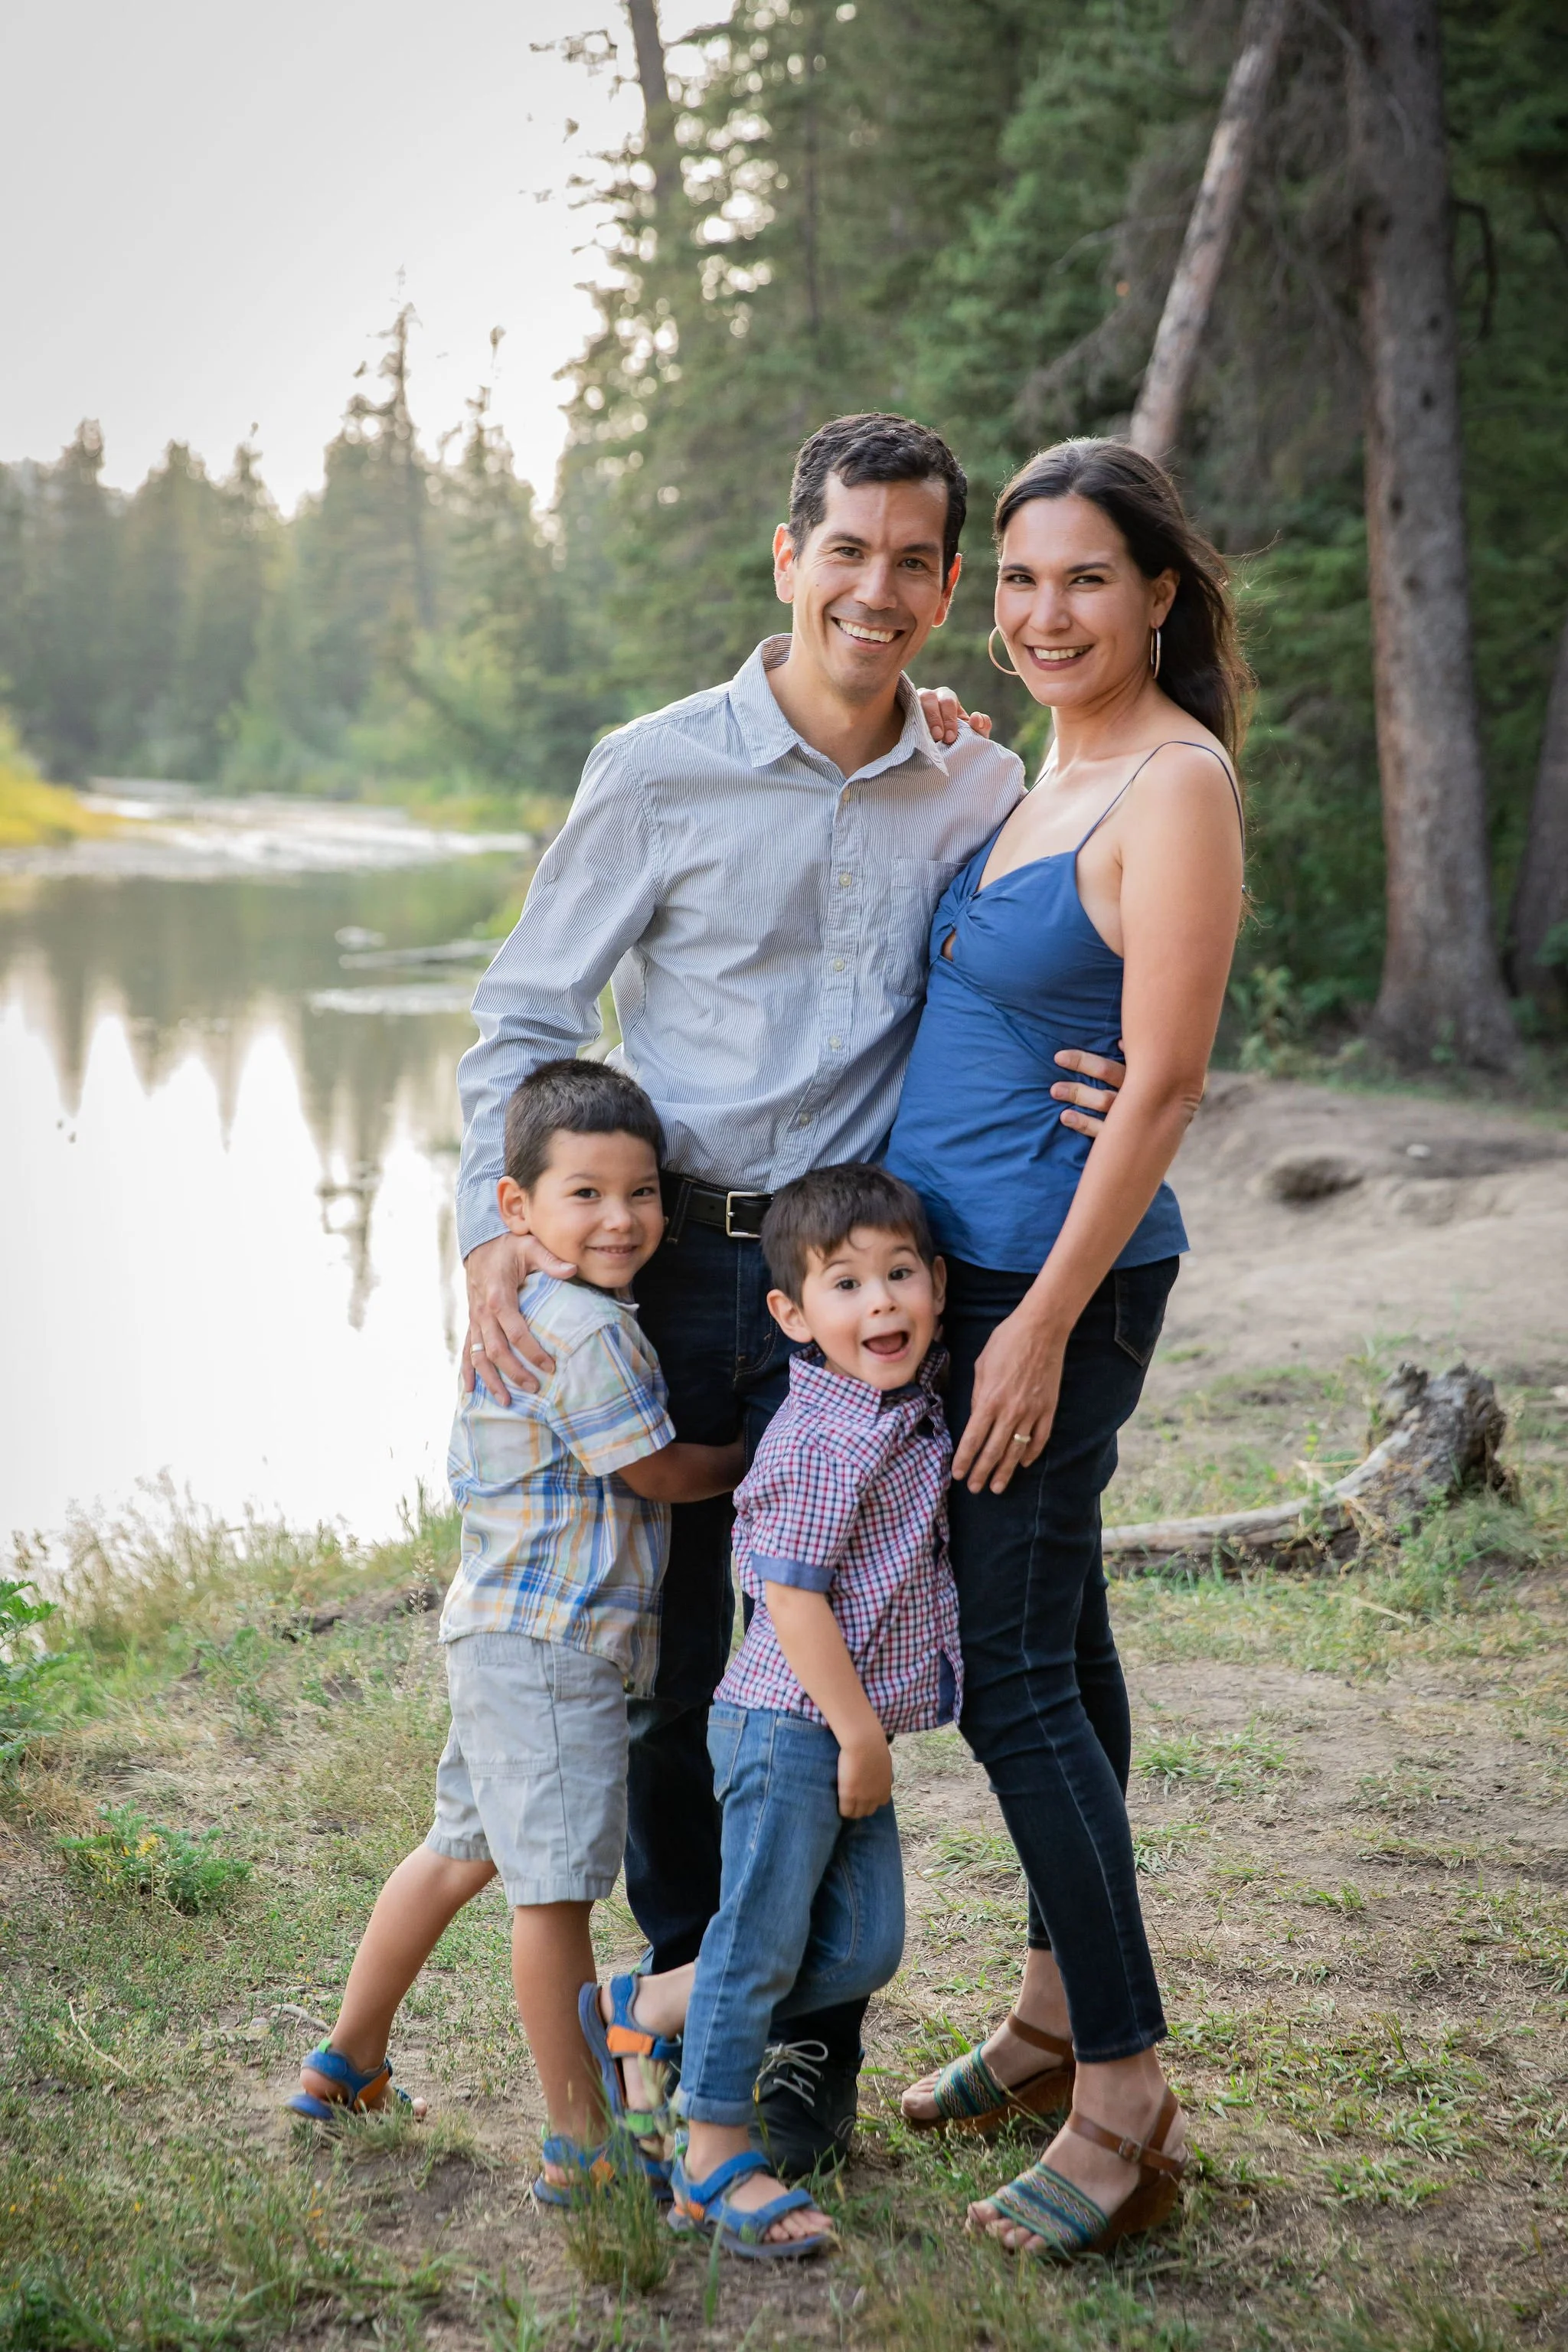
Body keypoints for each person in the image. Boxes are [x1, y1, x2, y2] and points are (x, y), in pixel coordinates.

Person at [453, 412, 1058, 2175]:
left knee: (834, 1655)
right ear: (787, 559)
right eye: (846, 550)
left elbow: (1041, 963)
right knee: (669, 1669)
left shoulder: (977, 780)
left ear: (948, 589)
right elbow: (527, 1011)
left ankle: (803, 2049)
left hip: (847, 1290)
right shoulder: (655, 766)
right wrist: (495, 1228)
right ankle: (682, 1990)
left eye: (914, 561)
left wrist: (1104, 1072)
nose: (878, 587)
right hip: (665, 1275)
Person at [886, 438, 1248, 2256]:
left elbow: (1165, 1077)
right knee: (1062, 1639)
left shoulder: (1172, 781)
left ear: (1160, 593)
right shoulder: (1051, 763)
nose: (1044, 614)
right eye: (1018, 579)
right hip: (972, 1272)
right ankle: (1043, 2019)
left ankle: (1123, 2094)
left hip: (1054, 1288)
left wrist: (1032, 1328)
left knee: (1010, 1675)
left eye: (1084, 580)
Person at [286, 1061, 744, 2203]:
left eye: (640, 1194)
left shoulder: (536, 1309)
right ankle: (582, 2146)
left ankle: (345, 2063)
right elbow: (650, 1468)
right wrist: (758, 1457)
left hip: (498, 1631)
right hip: (555, 1650)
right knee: (553, 1895)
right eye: (584, 1194)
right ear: (515, 1207)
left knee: (458, 1855)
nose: (621, 1219)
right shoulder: (590, 1332)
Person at [577, 1163, 958, 2256]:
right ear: (790, 1315)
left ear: (936, 1284)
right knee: (755, 1945)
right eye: (845, 1285)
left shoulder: (908, 1400)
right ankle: (714, 2156)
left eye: (898, 1276)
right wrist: (858, 1733)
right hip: (796, 1725)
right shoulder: (816, 1438)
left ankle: (636, 2011)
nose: (879, 1303)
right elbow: (784, 1597)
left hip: (842, 1725)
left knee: (861, 1947)